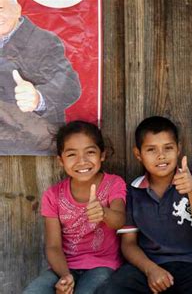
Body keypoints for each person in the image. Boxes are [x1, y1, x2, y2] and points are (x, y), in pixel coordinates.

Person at [101, 116, 192, 294]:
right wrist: (150, 269)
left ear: (178, 149)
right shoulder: (133, 192)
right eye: (151, 149)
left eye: (168, 148)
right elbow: (128, 244)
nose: (161, 155)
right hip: (150, 263)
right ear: (138, 154)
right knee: (113, 288)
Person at [22, 121, 127, 294]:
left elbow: (119, 220)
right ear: (60, 160)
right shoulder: (53, 195)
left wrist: (104, 212)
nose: (82, 161)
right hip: (64, 266)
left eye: (90, 152)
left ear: (102, 155)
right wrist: (65, 276)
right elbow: (53, 246)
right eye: (72, 155)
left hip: (102, 266)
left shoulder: (114, 184)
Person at [0, 0, 81, 155]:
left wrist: (39, 98)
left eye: (0, 8)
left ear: (17, 10)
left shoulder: (44, 41)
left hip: (33, 142)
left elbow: (70, 85)